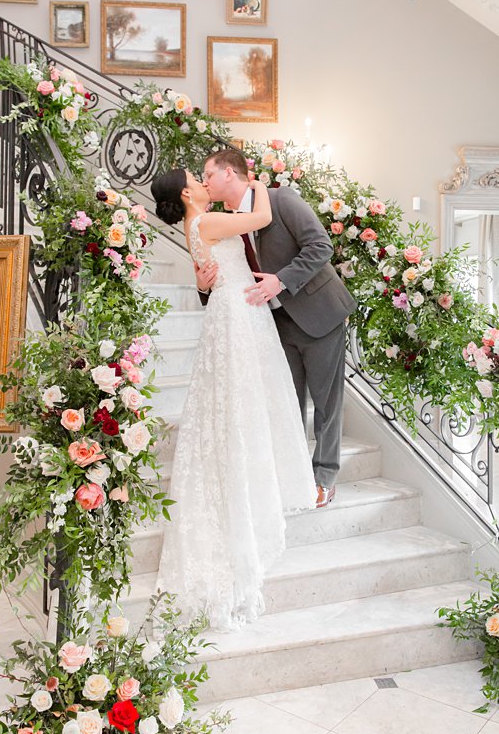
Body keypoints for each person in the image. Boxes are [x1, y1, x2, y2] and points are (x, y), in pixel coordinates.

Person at [148, 167, 316, 631]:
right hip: (237, 318)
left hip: (234, 312)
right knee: (241, 396)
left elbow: (208, 274)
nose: (204, 184)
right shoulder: (205, 222)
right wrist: (260, 182)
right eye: (196, 179)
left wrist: (203, 284)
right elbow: (260, 218)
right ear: (186, 193)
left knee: (240, 397)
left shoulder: (199, 224)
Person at [194, 146, 356, 507]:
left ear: (229, 174)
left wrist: (279, 281)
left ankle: (325, 477)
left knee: (327, 404)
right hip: (273, 323)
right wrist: (204, 286)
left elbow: (320, 246)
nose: (205, 181)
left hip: (320, 314)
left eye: (208, 174)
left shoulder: (281, 200)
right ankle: (294, 474)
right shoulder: (224, 219)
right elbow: (224, 277)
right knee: (288, 403)